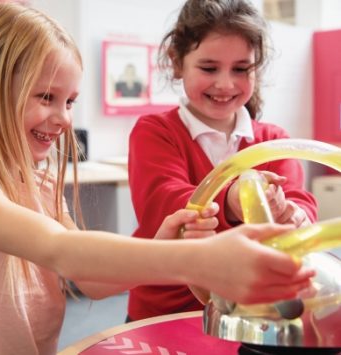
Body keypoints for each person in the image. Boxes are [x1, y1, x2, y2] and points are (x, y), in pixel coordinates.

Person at [127, 0, 318, 322]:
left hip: (252, 314)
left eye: (241, 69)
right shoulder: (156, 131)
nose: (226, 84)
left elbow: (300, 200)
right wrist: (231, 199)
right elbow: (164, 201)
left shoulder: (273, 140)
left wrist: (292, 214)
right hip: (169, 312)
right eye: (209, 68)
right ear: (177, 62)